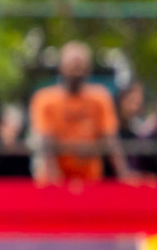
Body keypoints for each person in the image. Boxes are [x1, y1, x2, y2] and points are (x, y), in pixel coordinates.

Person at [29, 42, 130, 183]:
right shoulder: (44, 99)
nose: (76, 73)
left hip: (90, 179)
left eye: (80, 67)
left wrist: (124, 175)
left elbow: (110, 139)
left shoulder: (100, 97)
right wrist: (54, 180)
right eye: (72, 67)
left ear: (88, 69)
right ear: (61, 67)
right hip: (52, 178)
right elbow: (45, 141)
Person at [115, 80, 156, 176]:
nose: (134, 108)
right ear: (122, 99)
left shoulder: (137, 129)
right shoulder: (111, 126)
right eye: (131, 101)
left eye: (137, 104)